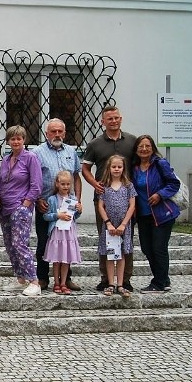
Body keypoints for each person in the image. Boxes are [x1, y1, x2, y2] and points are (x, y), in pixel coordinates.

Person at [81, 103, 138, 292]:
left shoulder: (132, 141)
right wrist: (94, 184)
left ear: (120, 119)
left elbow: (140, 165)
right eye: (110, 119)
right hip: (103, 200)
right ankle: (106, 279)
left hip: (126, 198)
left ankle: (125, 280)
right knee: (105, 239)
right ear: (103, 121)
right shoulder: (95, 144)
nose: (113, 121)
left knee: (127, 239)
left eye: (116, 118)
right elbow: (85, 169)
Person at [34, 118, 83, 291]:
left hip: (67, 205)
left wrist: (78, 200)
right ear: (46, 133)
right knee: (44, 242)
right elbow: (34, 178)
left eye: (59, 131)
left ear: (64, 133)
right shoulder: (37, 152)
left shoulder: (71, 151)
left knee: (66, 243)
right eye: (53, 131)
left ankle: (65, 279)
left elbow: (76, 177)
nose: (56, 134)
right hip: (46, 205)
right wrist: (38, 199)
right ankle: (43, 278)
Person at [0, 125, 42, 296]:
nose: (16, 141)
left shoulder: (31, 158)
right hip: (5, 208)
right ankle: (20, 279)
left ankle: (34, 281)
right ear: (8, 141)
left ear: (24, 140)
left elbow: (36, 185)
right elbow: (0, 182)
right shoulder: (6, 159)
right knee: (9, 245)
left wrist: (26, 204)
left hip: (20, 207)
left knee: (20, 244)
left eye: (19, 138)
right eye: (12, 138)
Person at [132, 134, 181, 293]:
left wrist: (160, 194)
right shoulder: (134, 168)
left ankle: (159, 283)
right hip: (143, 215)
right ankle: (164, 279)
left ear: (153, 148)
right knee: (147, 248)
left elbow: (174, 183)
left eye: (147, 146)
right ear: (136, 150)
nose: (144, 149)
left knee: (158, 247)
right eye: (141, 146)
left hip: (162, 214)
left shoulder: (160, 164)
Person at [97, 155, 136, 297]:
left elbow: (132, 205)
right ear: (109, 168)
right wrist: (108, 223)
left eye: (119, 166)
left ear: (123, 168)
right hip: (109, 226)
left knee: (121, 255)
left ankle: (120, 284)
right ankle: (110, 284)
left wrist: (124, 224)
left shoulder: (128, 185)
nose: (117, 169)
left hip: (123, 226)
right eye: (114, 166)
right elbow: (100, 206)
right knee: (110, 255)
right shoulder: (103, 185)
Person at [42, 170, 83, 295]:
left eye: (68, 184)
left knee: (66, 259)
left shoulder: (72, 199)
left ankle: (64, 282)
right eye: (63, 184)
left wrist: (79, 210)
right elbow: (46, 216)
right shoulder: (52, 199)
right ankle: (56, 282)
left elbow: (75, 216)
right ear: (57, 184)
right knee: (57, 259)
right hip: (57, 232)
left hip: (69, 232)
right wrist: (57, 215)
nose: (65, 187)